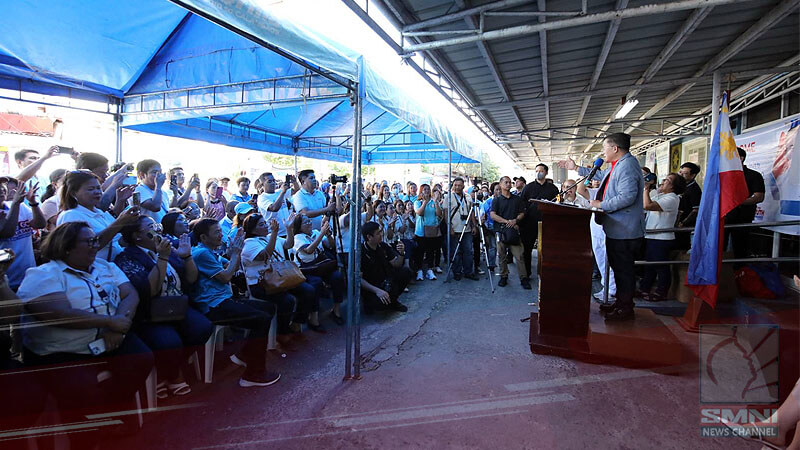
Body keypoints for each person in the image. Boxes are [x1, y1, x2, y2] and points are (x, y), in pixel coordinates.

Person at [18, 222, 153, 430]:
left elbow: (130, 294)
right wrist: (109, 322)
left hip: (111, 339)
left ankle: (111, 411)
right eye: (89, 241)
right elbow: (59, 314)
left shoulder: (105, 267)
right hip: (63, 352)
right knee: (82, 389)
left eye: (96, 240)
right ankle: (86, 432)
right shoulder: (44, 274)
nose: (95, 245)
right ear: (67, 247)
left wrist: (117, 326)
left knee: (141, 358)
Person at [115, 216, 213, 398]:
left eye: (158, 226)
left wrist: (187, 256)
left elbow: (191, 279)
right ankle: (171, 374)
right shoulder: (126, 258)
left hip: (177, 305)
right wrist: (162, 258)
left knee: (203, 328)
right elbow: (150, 291)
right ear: (137, 236)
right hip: (150, 313)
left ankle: (168, 369)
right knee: (169, 342)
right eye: (152, 227)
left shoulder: (170, 249)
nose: (158, 230)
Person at [558, 132, 644, 321]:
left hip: (625, 230)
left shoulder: (627, 166)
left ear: (615, 148)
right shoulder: (618, 165)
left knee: (624, 271)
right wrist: (577, 168)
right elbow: (605, 176)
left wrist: (599, 204)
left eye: (605, 148)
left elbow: (627, 197)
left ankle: (625, 309)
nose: (603, 152)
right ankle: (620, 303)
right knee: (619, 270)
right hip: (617, 228)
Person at [190, 218, 280, 387]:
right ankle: (253, 374)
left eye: (220, 231)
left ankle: (246, 354)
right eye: (216, 232)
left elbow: (233, 267)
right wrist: (235, 254)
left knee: (267, 308)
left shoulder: (210, 251)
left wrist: (234, 251)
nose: (221, 235)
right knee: (260, 318)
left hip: (225, 299)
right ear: (203, 237)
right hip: (213, 306)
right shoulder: (201, 253)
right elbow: (225, 277)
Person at [241, 213, 325, 340]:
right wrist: (274, 233)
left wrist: (288, 229)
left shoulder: (269, 237)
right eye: (261, 224)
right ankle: (282, 333)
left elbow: (288, 244)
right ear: (252, 229)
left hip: (280, 278)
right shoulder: (249, 244)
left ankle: (296, 324)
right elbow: (265, 255)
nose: (266, 226)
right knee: (287, 300)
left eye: (265, 223)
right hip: (262, 284)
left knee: (308, 290)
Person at [57, 170, 139, 261]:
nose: (97, 192)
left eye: (98, 188)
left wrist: (121, 201)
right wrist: (120, 222)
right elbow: (91, 245)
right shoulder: (71, 215)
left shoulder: (99, 212)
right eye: (91, 189)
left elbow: (114, 228)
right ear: (73, 193)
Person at [639, 173, 686, 301]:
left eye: (667, 180)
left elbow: (647, 205)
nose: (663, 181)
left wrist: (646, 189)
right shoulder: (661, 195)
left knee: (660, 266)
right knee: (649, 265)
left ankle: (661, 292)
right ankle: (645, 289)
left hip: (661, 238)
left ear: (673, 186)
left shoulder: (672, 198)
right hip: (651, 236)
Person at [292, 214, 346, 324]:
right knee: (316, 283)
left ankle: (336, 310)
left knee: (337, 277)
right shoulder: (297, 238)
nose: (309, 224)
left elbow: (331, 245)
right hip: (306, 270)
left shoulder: (316, 233)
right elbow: (308, 250)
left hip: (321, 267)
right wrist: (321, 233)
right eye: (305, 222)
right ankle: (313, 316)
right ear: (299, 226)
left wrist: (328, 235)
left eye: (309, 221)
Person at [0, 178, 45, 290]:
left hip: (29, 276)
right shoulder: (16, 205)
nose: (1, 189)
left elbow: (40, 224)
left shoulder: (18, 206)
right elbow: (7, 232)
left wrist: (33, 203)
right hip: (7, 281)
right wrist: (16, 203)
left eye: (2, 186)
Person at [724, 147, 765, 261]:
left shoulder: (753, 175)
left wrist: (737, 202)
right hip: (723, 217)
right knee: (719, 250)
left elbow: (759, 197)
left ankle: (740, 273)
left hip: (742, 218)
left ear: (741, 158)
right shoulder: (723, 175)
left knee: (740, 250)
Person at [520, 163, 559, 281]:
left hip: (547, 223)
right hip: (529, 223)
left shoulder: (553, 188)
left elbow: (557, 204)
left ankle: (546, 273)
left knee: (547, 249)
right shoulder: (528, 187)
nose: (538, 172)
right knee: (527, 249)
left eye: (541, 170)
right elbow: (522, 203)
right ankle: (526, 274)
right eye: (536, 170)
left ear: (546, 172)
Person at [360, 221, 410, 313]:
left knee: (405, 272)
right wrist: (377, 291)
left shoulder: (383, 246)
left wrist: (401, 253)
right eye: (378, 233)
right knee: (379, 305)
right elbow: (359, 279)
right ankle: (372, 303)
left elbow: (396, 264)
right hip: (372, 288)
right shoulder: (361, 252)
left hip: (386, 282)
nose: (381, 234)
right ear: (369, 237)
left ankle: (393, 301)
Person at [490, 176, 529, 289]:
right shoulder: (496, 200)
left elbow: (522, 213)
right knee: (502, 256)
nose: (508, 184)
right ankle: (503, 276)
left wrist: (515, 220)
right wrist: (506, 221)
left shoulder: (517, 199)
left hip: (513, 232)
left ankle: (523, 278)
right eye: (505, 182)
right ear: (501, 184)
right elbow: (493, 215)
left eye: (509, 182)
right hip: (501, 232)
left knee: (520, 256)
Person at [445, 178, 478, 281]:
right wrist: (449, 227)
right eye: (455, 185)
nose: (457, 187)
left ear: (464, 186)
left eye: (460, 185)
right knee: (455, 252)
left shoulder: (468, 197)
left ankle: (468, 271)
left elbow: (471, 212)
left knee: (468, 251)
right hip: (454, 228)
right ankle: (457, 272)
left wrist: (474, 226)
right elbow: (446, 213)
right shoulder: (448, 197)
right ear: (453, 186)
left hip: (466, 229)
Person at [413, 184, 443, 281]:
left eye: (428, 189)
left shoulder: (433, 202)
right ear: (421, 191)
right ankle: (419, 270)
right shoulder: (417, 202)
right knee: (420, 251)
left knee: (430, 251)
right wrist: (425, 202)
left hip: (431, 231)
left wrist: (435, 202)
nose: (426, 191)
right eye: (424, 189)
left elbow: (439, 214)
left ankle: (430, 269)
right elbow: (419, 213)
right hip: (421, 231)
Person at [257, 172, 296, 237]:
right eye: (269, 181)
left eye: (273, 181)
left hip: (288, 231)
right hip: (275, 234)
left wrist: (294, 182)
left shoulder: (279, 192)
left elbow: (295, 190)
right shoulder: (262, 197)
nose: (273, 183)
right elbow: (274, 208)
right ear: (262, 184)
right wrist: (283, 193)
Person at [676, 162, 702, 250]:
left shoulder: (694, 190)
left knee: (681, 248)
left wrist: (683, 223)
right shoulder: (681, 186)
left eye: (685, 173)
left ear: (693, 175)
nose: (681, 175)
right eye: (680, 172)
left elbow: (696, 210)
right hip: (676, 223)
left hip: (685, 227)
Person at [480, 182, 500, 275]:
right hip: (491, 228)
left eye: (500, 189)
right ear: (492, 191)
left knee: (501, 248)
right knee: (493, 246)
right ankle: (491, 265)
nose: (499, 191)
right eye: (497, 189)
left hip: (503, 227)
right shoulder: (488, 202)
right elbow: (482, 214)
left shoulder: (504, 200)